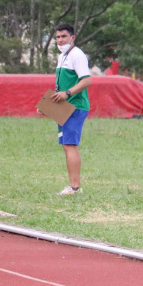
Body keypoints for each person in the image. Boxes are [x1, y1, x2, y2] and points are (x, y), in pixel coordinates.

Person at [52, 23, 91, 195]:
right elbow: (60, 84)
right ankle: (72, 185)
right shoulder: (62, 56)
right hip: (64, 106)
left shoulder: (77, 55)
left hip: (75, 107)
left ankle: (74, 187)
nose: (60, 40)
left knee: (70, 145)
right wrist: (49, 104)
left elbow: (86, 81)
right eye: (58, 37)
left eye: (64, 37)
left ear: (72, 38)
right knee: (66, 145)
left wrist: (67, 93)